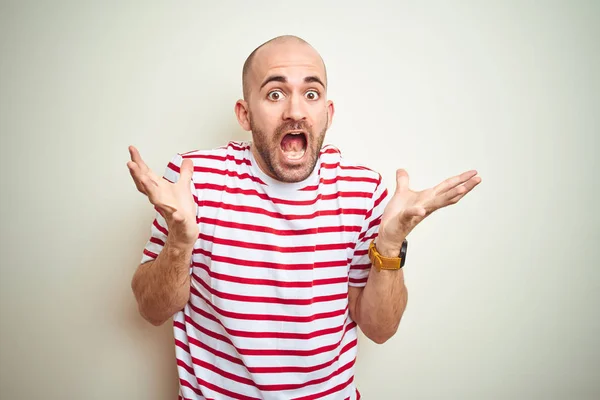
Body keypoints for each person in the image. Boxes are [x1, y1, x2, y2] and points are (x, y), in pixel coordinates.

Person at [127, 35, 481, 400]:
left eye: (311, 94)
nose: (295, 111)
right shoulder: (195, 179)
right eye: (275, 94)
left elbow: (380, 328)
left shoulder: (362, 189)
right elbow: (152, 310)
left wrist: (389, 245)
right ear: (244, 114)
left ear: (327, 113)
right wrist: (180, 244)